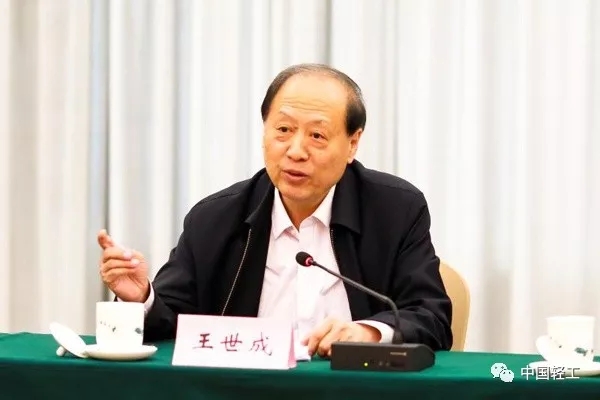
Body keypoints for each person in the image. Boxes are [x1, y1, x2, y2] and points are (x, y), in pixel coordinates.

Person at [98, 63, 453, 357]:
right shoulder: (215, 219)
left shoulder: (395, 210)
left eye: (317, 136)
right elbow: (172, 323)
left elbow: (431, 316)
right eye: (283, 129)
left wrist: (369, 332)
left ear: (352, 143)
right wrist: (142, 297)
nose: (296, 151)